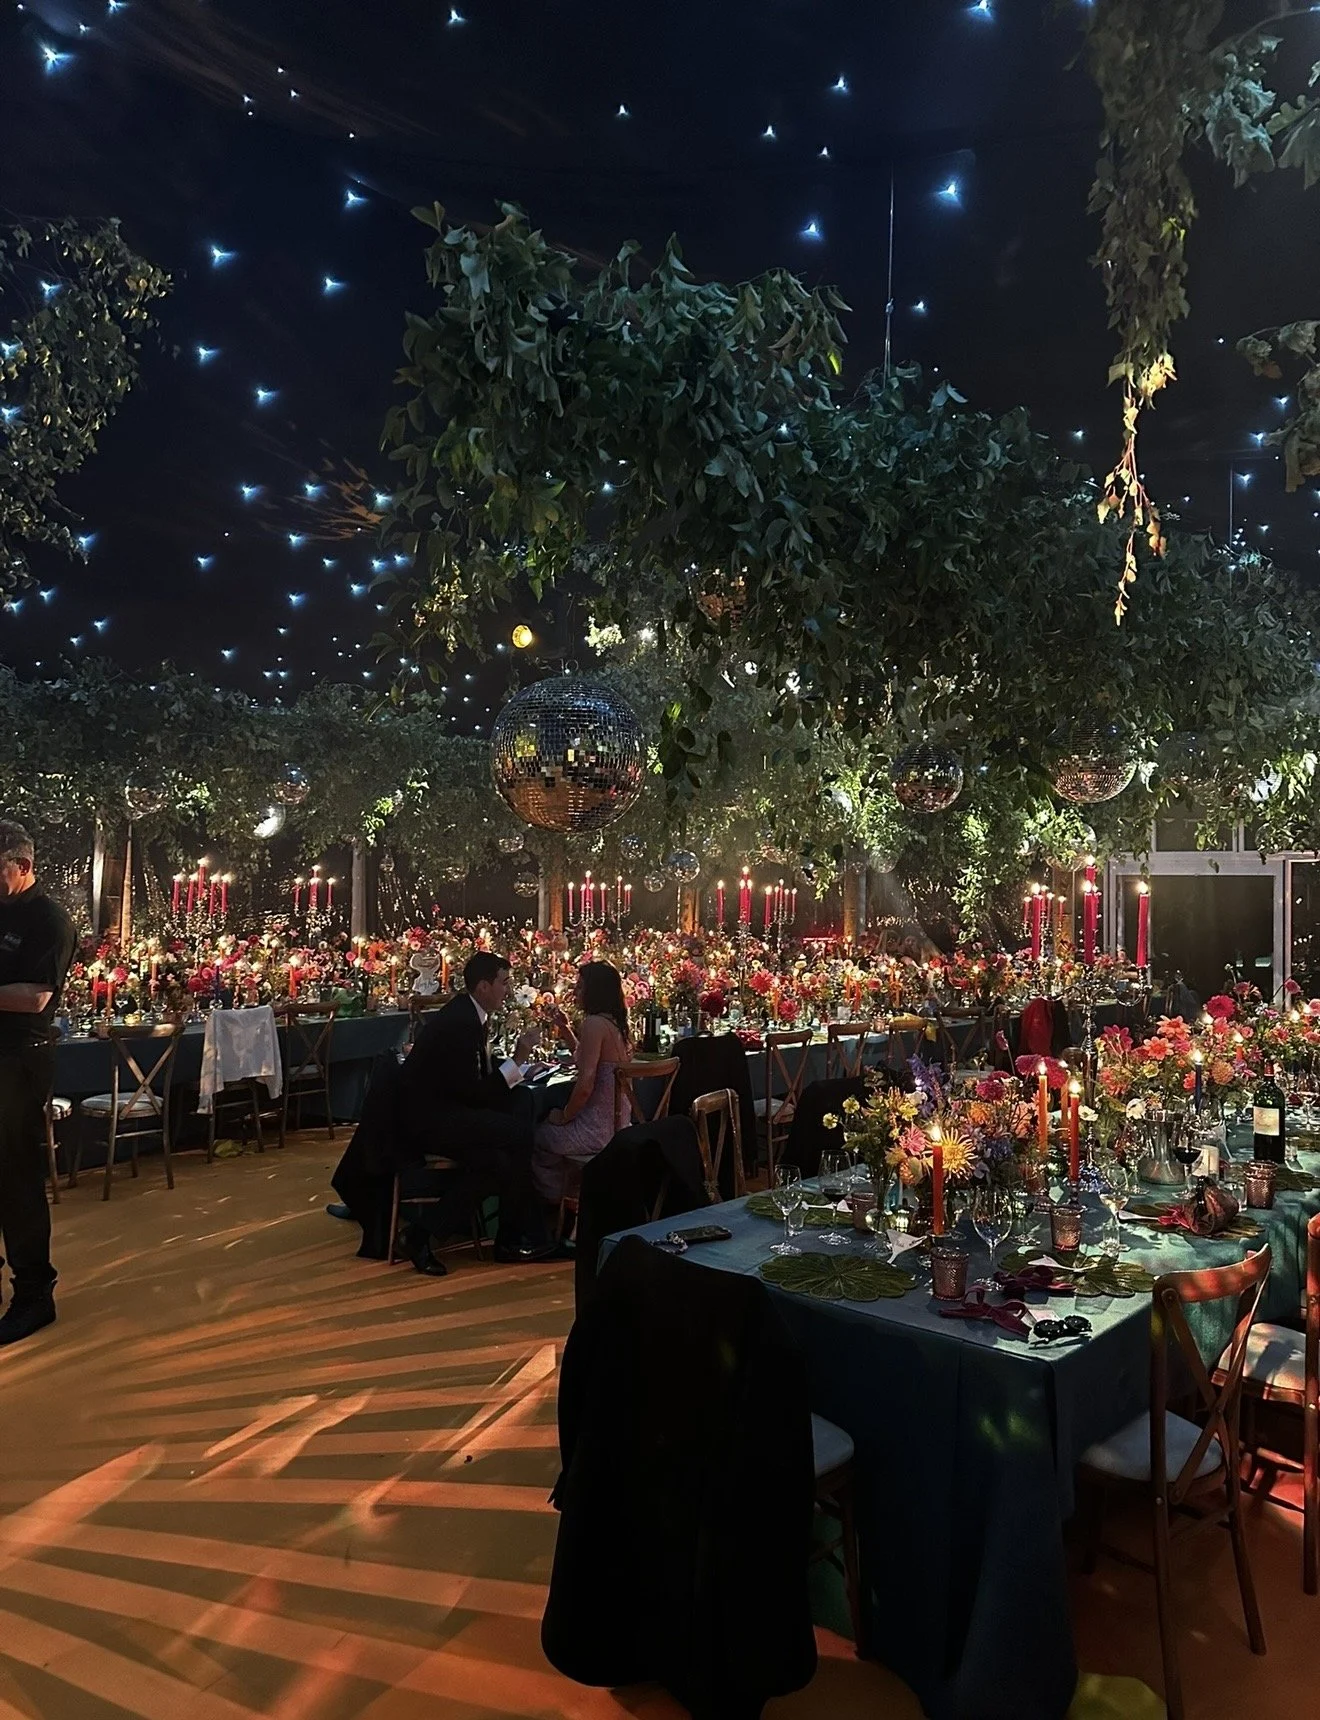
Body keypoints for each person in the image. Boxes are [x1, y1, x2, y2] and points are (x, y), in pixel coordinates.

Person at [397, 950, 559, 1267]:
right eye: (504, 982)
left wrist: (514, 1066)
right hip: (431, 1122)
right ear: (483, 987)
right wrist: (519, 1059)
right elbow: (477, 1095)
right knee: (519, 1134)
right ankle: (514, 1239)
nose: (508, 990)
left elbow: (474, 1080)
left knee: (499, 1164)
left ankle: (419, 1236)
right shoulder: (461, 1022)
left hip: (445, 1113)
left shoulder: (468, 1015)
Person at [0, 821, 76, 1347]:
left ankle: (34, 1293)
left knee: (15, 1174)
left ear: (22, 865)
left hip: (19, 1059)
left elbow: (34, 997)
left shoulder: (48, 918)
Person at [533, 961, 632, 1202]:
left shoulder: (593, 1024)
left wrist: (565, 1116)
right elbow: (586, 1060)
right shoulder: (615, 1024)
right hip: (620, 1126)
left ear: (594, 991)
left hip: (597, 1131)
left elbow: (586, 1083)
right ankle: (576, 1198)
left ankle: (560, 1205)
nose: (575, 992)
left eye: (579, 987)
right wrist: (566, 1030)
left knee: (536, 1136)